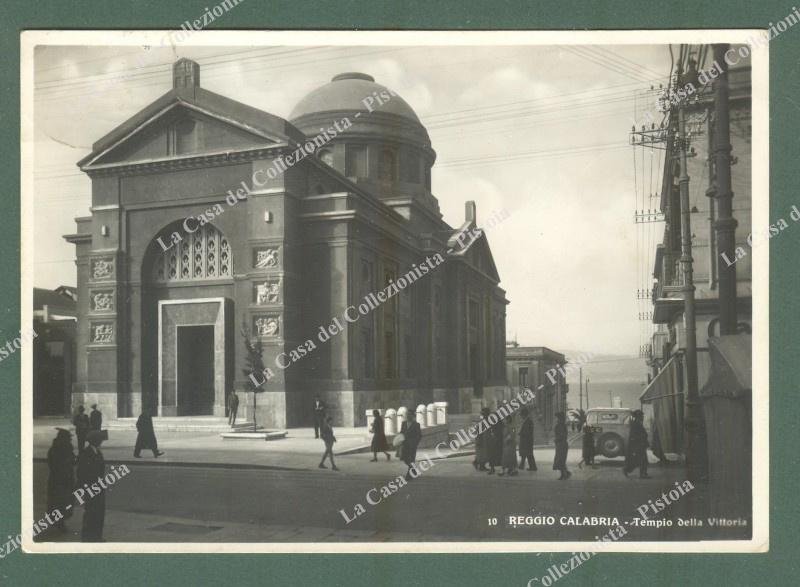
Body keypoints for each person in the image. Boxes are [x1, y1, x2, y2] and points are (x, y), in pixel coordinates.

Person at [77, 430, 106, 542]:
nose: (101, 442)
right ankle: (88, 537)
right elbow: (82, 473)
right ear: (95, 441)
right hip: (90, 488)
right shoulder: (86, 453)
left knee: (99, 512)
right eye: (100, 440)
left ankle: (97, 536)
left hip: (99, 487)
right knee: (91, 513)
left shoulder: (97, 452)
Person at [46, 428, 75, 531]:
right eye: (68, 438)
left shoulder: (66, 447)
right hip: (59, 480)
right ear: (63, 438)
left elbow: (72, 460)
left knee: (64, 501)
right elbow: (54, 465)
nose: (70, 440)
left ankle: (59, 521)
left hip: (65, 479)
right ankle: (59, 523)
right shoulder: (57, 449)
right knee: (59, 501)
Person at [623, 409, 651, 478]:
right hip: (638, 445)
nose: (643, 417)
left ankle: (627, 469)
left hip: (640, 445)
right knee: (642, 460)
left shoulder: (637, 423)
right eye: (642, 415)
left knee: (639, 460)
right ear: (638, 416)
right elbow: (635, 435)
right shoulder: (636, 424)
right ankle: (642, 474)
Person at [399, 410, 421, 481]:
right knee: (405, 459)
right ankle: (414, 471)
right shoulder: (403, 423)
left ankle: (409, 476)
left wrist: (415, 443)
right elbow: (401, 432)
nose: (407, 416)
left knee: (411, 459)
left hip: (412, 445)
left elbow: (419, 435)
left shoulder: (416, 424)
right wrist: (399, 439)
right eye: (407, 414)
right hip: (405, 444)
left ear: (412, 416)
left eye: (409, 415)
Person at [518, 407, 537, 471]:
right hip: (526, 440)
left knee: (527, 453)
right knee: (528, 454)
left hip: (527, 440)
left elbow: (527, 431)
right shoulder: (527, 421)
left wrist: (521, 433)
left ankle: (523, 465)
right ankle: (532, 467)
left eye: (522, 415)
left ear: (524, 415)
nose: (521, 416)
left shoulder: (528, 421)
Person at [553, 412, 571, 480]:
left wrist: (556, 439)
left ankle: (564, 474)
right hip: (561, 444)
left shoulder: (560, 425)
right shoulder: (562, 425)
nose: (556, 419)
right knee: (561, 460)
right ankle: (565, 473)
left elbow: (562, 435)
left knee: (560, 460)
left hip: (561, 444)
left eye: (557, 417)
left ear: (560, 418)